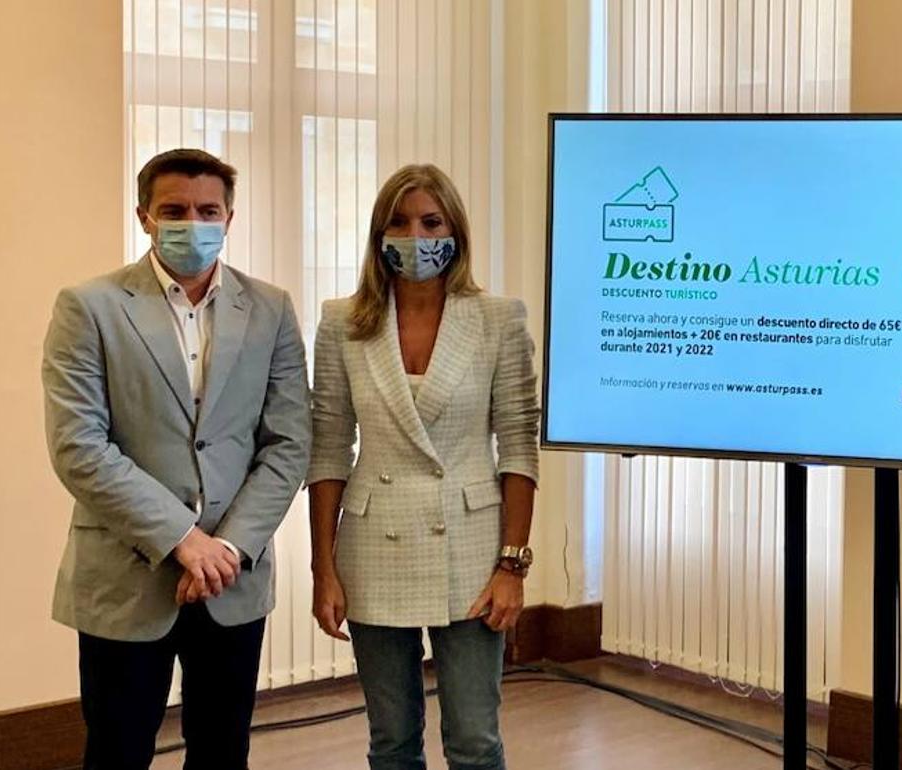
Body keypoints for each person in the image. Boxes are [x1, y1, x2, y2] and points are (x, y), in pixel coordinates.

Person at [42, 148, 311, 770]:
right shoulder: (89, 306)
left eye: (208, 211)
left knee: (223, 752)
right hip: (126, 576)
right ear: (144, 216)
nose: (193, 223)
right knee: (117, 751)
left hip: (233, 577)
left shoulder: (270, 309)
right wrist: (184, 540)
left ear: (229, 218)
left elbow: (289, 442)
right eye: (174, 210)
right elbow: (79, 446)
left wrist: (228, 548)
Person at [307, 163, 539, 770]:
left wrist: (512, 565)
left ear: (455, 230)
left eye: (431, 223)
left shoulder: (497, 319)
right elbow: (328, 448)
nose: (416, 237)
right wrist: (322, 567)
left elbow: (519, 445)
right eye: (400, 223)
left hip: (471, 550)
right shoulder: (342, 322)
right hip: (372, 548)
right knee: (391, 742)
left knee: (474, 741)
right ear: (378, 234)